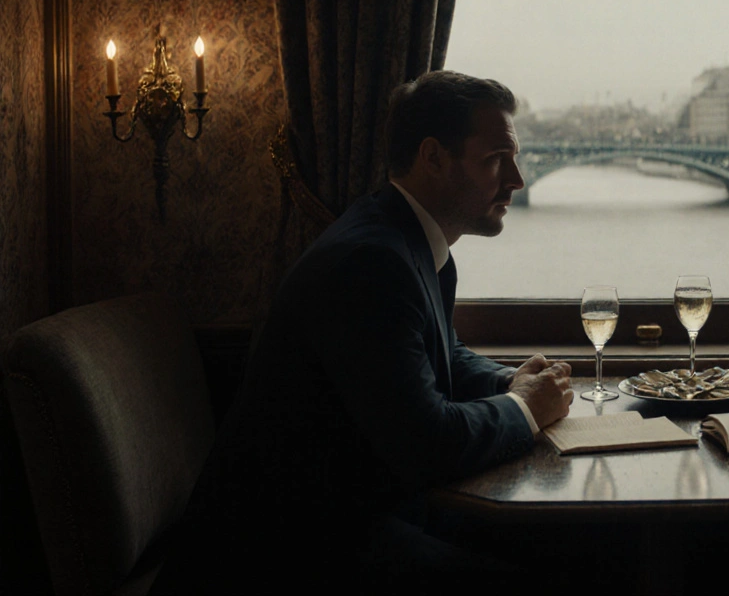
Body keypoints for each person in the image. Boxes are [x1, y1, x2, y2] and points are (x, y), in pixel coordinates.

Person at [153, 70, 574, 594]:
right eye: (496, 159)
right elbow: (427, 444)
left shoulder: (405, 239)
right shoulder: (371, 263)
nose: (517, 179)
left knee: (557, 547)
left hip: (341, 517)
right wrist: (526, 408)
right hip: (286, 552)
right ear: (433, 158)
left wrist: (512, 382)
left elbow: (442, 352)